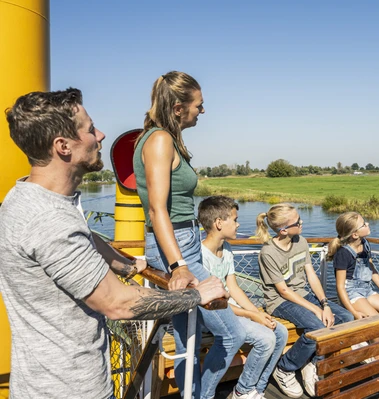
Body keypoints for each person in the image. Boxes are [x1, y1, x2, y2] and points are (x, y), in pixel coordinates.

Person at [0, 89, 228, 399]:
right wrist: (195, 294)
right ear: (63, 146)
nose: (101, 135)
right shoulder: (50, 220)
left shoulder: (25, 198)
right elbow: (118, 304)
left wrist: (127, 264)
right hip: (71, 390)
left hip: (39, 384)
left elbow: (85, 236)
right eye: (90, 129)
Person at [133, 71, 245, 399]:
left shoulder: (167, 138)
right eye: (199, 105)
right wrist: (178, 263)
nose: (203, 111)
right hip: (175, 245)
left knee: (186, 339)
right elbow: (157, 210)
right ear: (179, 108)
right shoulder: (159, 140)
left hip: (184, 242)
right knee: (230, 334)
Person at [256, 203, 354, 398]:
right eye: (297, 221)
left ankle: (312, 362)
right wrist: (317, 310)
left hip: (302, 294)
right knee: (316, 326)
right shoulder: (268, 253)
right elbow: (283, 291)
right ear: (283, 230)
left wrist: (324, 304)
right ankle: (285, 367)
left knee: (346, 317)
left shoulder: (300, 241)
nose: (302, 223)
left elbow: (311, 275)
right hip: (279, 301)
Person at [198, 196, 288, 399]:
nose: (238, 224)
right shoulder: (200, 256)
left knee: (279, 331)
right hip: (212, 314)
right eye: (235, 219)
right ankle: (243, 390)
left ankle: (257, 386)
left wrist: (257, 313)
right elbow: (214, 303)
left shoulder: (226, 249)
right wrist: (251, 315)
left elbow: (234, 288)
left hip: (229, 310)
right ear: (219, 223)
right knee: (265, 339)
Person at [327, 212, 379, 320]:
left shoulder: (365, 244)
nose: (368, 224)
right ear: (355, 234)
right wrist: (354, 312)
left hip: (367, 290)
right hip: (351, 294)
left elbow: (371, 268)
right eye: (364, 224)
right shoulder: (343, 253)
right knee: (375, 322)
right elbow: (340, 287)